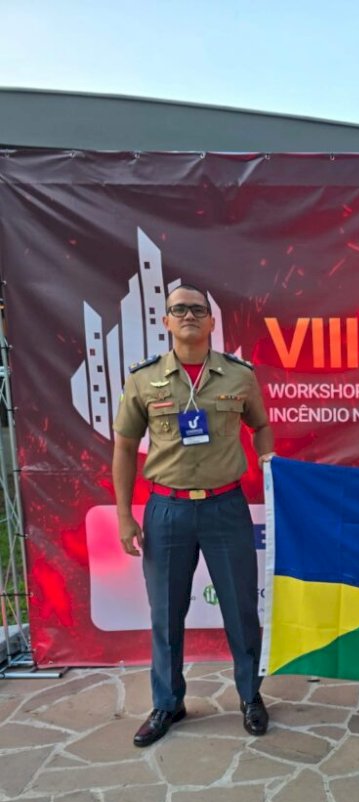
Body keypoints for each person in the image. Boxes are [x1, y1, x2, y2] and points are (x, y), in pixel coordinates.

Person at [112, 284, 274, 747]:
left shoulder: (238, 376)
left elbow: (261, 426)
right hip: (166, 512)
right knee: (165, 615)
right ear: (165, 321)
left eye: (196, 310)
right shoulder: (143, 380)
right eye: (178, 309)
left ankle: (249, 697)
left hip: (226, 508)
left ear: (210, 322)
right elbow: (124, 447)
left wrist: (270, 467)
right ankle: (167, 703)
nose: (187, 316)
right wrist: (125, 516)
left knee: (242, 611)